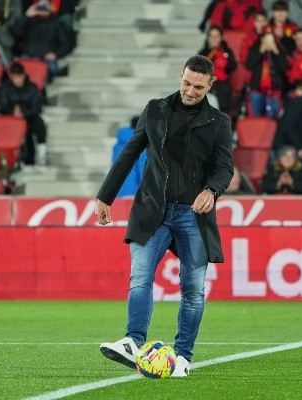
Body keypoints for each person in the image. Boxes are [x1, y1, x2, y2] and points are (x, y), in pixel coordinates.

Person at [95, 55, 234, 377]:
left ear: (210, 85)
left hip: (193, 215)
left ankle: (183, 357)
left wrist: (211, 191)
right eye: (186, 82)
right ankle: (132, 341)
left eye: (199, 86)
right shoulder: (155, 109)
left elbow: (225, 167)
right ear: (180, 77)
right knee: (140, 278)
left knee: (193, 290)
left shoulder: (218, 123)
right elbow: (130, 152)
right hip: (152, 210)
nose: (190, 90)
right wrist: (105, 196)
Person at [0, 62, 48, 165]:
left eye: (19, 76)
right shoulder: (4, 88)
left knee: (38, 122)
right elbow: (3, 104)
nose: (18, 80)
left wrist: (23, 113)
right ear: (11, 76)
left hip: (28, 116)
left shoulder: (32, 87)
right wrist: (12, 112)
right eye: (15, 77)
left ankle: (42, 150)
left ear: (24, 75)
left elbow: (36, 106)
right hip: (9, 118)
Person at [112, 115, 146, 198]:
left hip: (118, 190)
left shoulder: (118, 145)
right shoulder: (139, 144)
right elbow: (142, 169)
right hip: (134, 191)